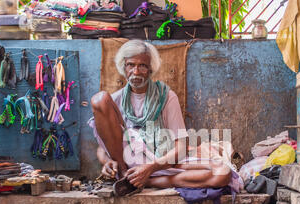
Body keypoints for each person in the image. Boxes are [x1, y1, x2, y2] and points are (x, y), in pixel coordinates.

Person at [89, 39, 242, 192]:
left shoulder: (166, 97)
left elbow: (181, 147)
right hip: (127, 162)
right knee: (99, 99)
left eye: (142, 66)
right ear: (124, 67)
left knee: (222, 172)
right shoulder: (114, 100)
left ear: (150, 69)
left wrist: (150, 168)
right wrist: (108, 161)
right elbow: (103, 146)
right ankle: (124, 175)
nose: (136, 72)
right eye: (131, 65)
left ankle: (146, 182)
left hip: (160, 161)